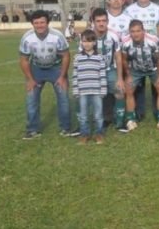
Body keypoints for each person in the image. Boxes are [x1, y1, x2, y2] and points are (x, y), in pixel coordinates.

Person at [19, 10, 73, 139]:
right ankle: (32, 130)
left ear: (47, 23)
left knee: (63, 98)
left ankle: (65, 128)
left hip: (56, 68)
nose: (39, 25)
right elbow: (24, 60)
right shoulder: (27, 37)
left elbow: (66, 56)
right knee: (32, 99)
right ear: (32, 24)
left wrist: (62, 76)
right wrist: (30, 79)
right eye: (36, 23)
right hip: (36, 69)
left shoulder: (57, 36)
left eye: (42, 22)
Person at [120, 20, 159, 130]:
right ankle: (130, 119)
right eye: (132, 31)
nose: (135, 34)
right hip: (136, 69)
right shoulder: (125, 42)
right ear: (129, 32)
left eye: (138, 31)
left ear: (143, 31)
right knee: (129, 89)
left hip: (152, 68)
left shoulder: (153, 40)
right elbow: (124, 60)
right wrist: (128, 75)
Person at [87, 8, 127, 132]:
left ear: (108, 21)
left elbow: (118, 57)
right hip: (94, 72)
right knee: (94, 96)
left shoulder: (114, 35)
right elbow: (83, 57)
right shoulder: (87, 36)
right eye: (98, 21)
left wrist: (120, 78)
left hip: (110, 69)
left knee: (120, 91)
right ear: (93, 22)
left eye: (104, 20)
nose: (101, 23)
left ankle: (120, 122)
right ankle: (100, 119)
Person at [72, 29, 108, 144]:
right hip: (82, 92)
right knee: (83, 115)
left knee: (98, 115)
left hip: (97, 91)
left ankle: (99, 134)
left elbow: (102, 74)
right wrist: (75, 90)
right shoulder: (77, 58)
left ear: (94, 42)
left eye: (89, 41)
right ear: (81, 43)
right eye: (84, 41)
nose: (86, 44)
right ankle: (84, 134)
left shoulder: (99, 57)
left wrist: (103, 90)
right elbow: (75, 75)